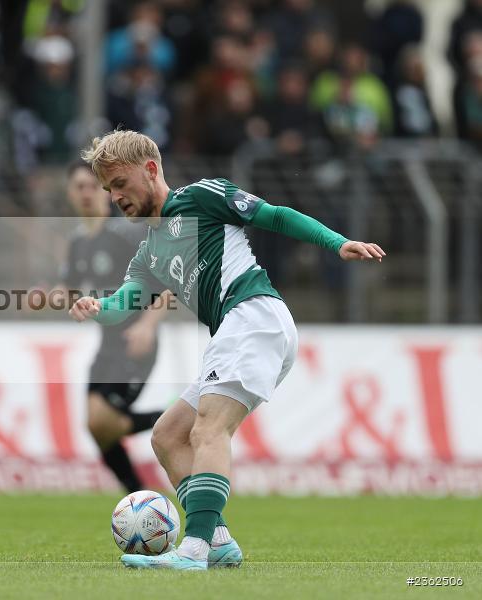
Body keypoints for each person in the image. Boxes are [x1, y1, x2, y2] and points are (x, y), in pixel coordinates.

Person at [70, 130, 384, 570]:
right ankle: (217, 542)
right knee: (168, 436)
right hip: (236, 332)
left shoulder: (203, 196)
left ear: (151, 169)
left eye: (119, 183)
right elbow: (125, 302)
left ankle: (193, 551)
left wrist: (337, 243)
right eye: (108, 190)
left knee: (208, 431)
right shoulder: (148, 253)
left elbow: (275, 216)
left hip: (253, 316)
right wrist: (96, 307)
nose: (114, 196)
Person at [58, 160, 166, 493]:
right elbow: (70, 292)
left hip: (135, 341)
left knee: (103, 422)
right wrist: (46, 297)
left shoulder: (125, 234)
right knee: (96, 427)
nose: (87, 194)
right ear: (70, 194)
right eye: (80, 187)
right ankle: (138, 497)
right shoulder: (78, 242)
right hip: (107, 344)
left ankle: (179, 415)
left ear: (106, 193)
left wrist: (147, 325)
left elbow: (164, 282)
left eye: (93, 186)